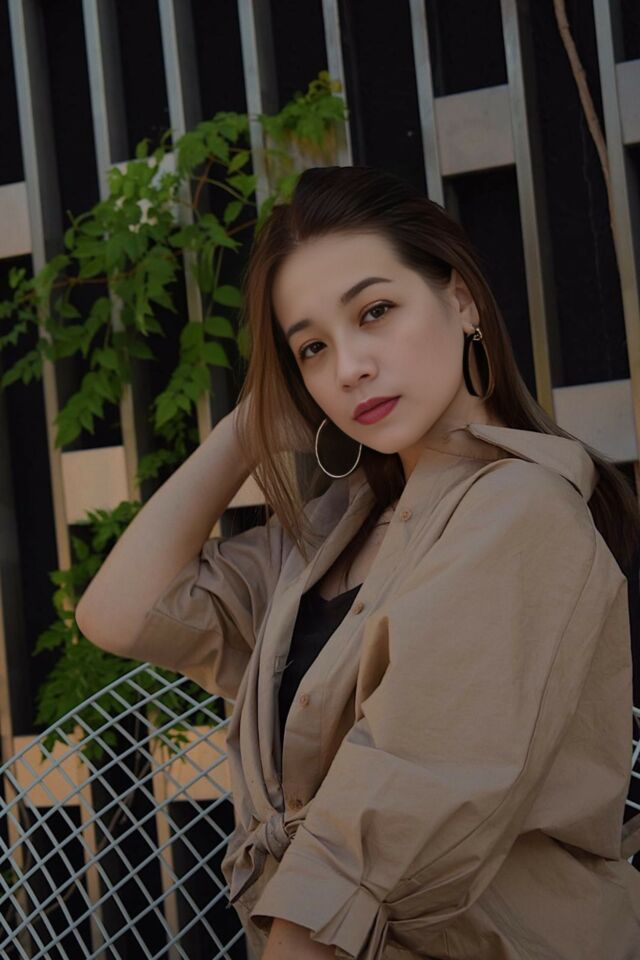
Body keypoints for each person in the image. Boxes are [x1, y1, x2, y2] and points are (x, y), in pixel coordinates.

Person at [76, 165, 640, 959]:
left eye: (375, 311)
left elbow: (404, 792)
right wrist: (244, 431)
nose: (348, 369)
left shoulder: (521, 511)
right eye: (312, 348)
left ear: (461, 300)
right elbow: (120, 614)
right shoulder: (329, 533)